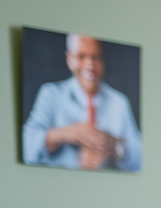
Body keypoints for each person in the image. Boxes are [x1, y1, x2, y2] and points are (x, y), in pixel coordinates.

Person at [23, 34, 142, 171]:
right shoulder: (51, 94)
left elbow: (142, 159)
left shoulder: (119, 102)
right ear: (69, 59)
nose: (89, 65)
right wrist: (67, 133)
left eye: (95, 57)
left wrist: (116, 148)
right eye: (81, 56)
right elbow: (25, 147)